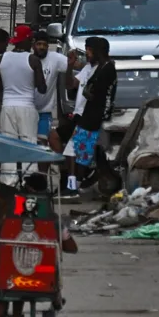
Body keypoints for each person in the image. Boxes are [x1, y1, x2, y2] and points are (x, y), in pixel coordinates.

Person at [63, 37, 116, 198]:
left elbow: (97, 95)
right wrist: (71, 66)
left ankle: (73, 188)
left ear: (97, 51)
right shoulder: (94, 68)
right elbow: (72, 85)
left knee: (74, 152)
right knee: (77, 153)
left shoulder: (106, 69)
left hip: (92, 118)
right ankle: (75, 186)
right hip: (86, 116)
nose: (87, 54)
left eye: (89, 51)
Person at [0, 25, 47, 182]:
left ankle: (8, 181)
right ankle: (29, 180)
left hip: (7, 107)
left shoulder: (1, 58)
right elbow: (42, 88)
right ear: (26, 41)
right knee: (28, 143)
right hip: (26, 106)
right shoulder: (32, 60)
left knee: (8, 143)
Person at [33, 30, 74, 162]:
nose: (42, 47)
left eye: (45, 45)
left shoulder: (55, 58)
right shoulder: (27, 59)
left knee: (42, 145)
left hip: (44, 112)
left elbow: (76, 65)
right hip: (27, 111)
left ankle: (43, 177)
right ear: (33, 45)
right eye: (39, 44)